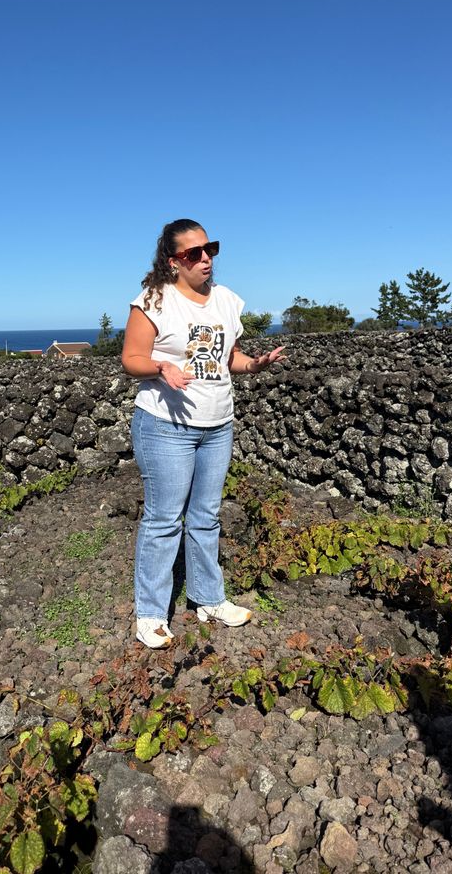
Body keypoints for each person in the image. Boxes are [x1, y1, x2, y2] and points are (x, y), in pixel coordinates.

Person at [122, 219, 286, 648]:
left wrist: (254, 364)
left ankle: (208, 599)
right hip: (165, 425)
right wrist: (161, 366)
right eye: (193, 253)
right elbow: (132, 358)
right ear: (173, 261)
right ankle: (152, 614)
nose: (205, 258)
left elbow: (226, 356)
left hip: (217, 424)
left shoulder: (228, 301)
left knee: (206, 516)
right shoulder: (154, 301)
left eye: (209, 248)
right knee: (163, 520)